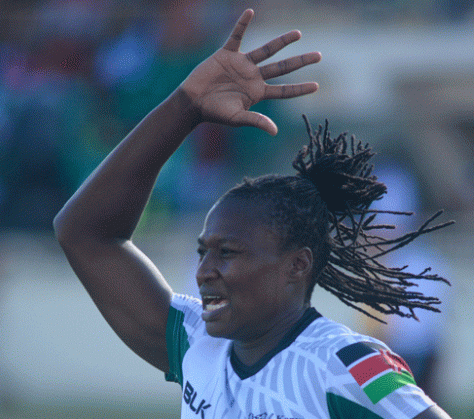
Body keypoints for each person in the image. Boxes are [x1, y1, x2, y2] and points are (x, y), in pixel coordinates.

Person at [54, 9, 453, 419]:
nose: (204, 270)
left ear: (297, 265)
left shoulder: (345, 363)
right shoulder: (198, 344)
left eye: (227, 252)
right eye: (204, 251)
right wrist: (185, 107)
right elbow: (83, 233)